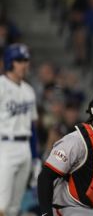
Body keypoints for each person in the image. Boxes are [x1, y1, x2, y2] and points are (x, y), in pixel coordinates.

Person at [0, 44, 38, 216]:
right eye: (19, 60)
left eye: (25, 60)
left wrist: (35, 157)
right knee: (2, 205)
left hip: (24, 149)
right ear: (9, 62)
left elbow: (32, 126)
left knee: (15, 207)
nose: (24, 64)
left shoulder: (29, 90)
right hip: (5, 146)